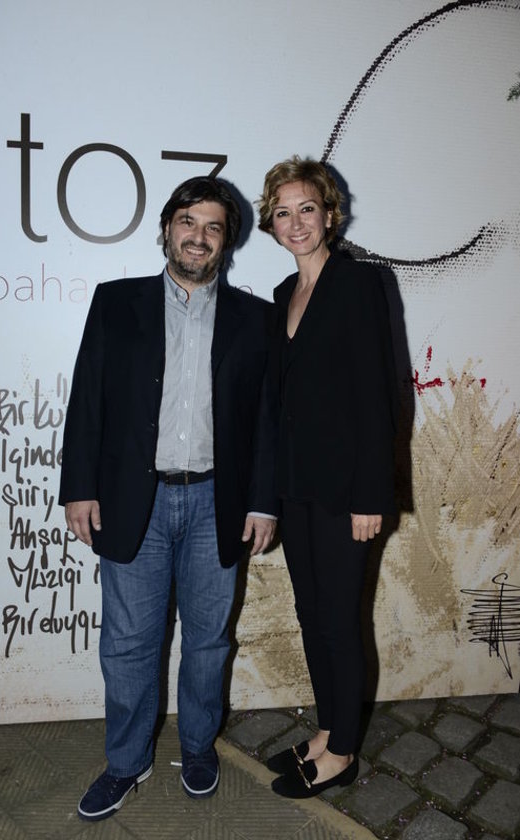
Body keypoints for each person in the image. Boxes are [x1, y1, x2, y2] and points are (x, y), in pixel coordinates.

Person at [59, 176, 277, 821]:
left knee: (209, 641)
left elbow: (268, 420)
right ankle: (126, 763)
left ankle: (199, 747)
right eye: (188, 221)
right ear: (166, 229)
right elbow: (87, 400)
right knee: (128, 642)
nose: (198, 236)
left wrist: (263, 502)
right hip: (135, 501)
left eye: (213, 227)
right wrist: (79, 489)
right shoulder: (115, 302)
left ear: (226, 242)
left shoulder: (256, 319)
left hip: (218, 503)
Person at [258, 156, 397, 798]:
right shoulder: (283, 295)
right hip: (297, 485)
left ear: (329, 214)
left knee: (340, 619)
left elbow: (378, 395)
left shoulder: (360, 283)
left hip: (346, 491)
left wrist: (371, 494)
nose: (295, 223)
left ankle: (343, 753)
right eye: (282, 213)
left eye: (306, 209)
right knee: (312, 613)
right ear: (271, 224)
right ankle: (327, 728)